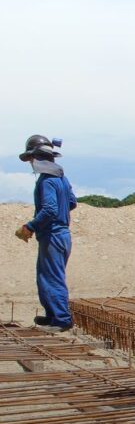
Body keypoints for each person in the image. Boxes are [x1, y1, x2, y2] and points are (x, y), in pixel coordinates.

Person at [15, 135, 77, 333]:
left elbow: (49, 209)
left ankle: (61, 320)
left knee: (52, 278)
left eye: (31, 159)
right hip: (61, 235)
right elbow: (72, 202)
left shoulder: (46, 181)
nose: (31, 164)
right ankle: (52, 315)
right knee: (46, 276)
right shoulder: (61, 178)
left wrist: (30, 226)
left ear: (37, 158)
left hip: (53, 235)